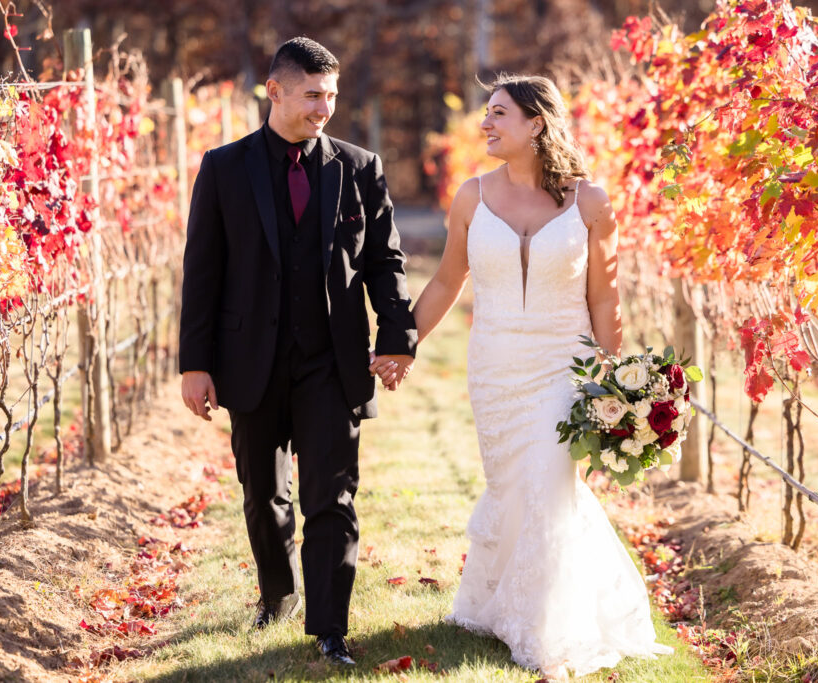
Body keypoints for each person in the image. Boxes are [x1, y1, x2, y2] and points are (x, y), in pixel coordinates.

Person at [380, 74, 674, 677]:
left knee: (547, 486)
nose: (485, 124)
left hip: (562, 368)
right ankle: (500, 604)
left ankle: (545, 636)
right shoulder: (471, 196)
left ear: (536, 124)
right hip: (493, 370)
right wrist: (400, 346)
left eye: (497, 114)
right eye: (487, 114)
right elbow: (444, 282)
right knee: (516, 490)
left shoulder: (590, 203)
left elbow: (605, 300)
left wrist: (612, 387)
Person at [179, 37, 417, 667]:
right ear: (275, 91)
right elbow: (201, 271)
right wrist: (195, 363)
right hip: (248, 360)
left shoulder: (359, 167)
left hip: (331, 362)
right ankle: (276, 591)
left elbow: (385, 263)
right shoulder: (224, 168)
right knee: (263, 494)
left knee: (332, 498)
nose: (324, 108)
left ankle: (331, 630)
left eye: (331, 95)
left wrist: (396, 338)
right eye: (313, 94)